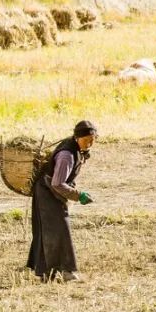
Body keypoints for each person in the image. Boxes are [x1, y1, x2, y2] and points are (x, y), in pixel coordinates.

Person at [27, 121, 98, 282]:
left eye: (93, 139)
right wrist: (78, 195)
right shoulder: (67, 155)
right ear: (77, 137)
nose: (90, 143)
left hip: (51, 191)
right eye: (87, 140)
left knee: (52, 230)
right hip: (47, 192)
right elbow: (57, 183)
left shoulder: (77, 148)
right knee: (57, 230)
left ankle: (50, 272)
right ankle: (65, 272)